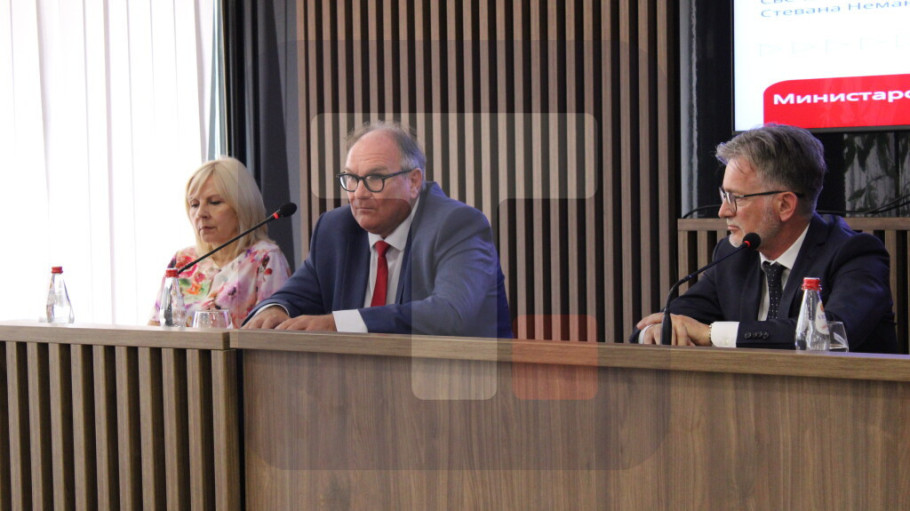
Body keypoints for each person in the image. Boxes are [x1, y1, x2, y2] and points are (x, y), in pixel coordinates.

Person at [633, 124, 897, 353]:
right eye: (724, 196)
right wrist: (655, 332)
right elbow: (674, 319)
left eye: (736, 198)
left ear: (784, 205)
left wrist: (711, 334)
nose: (723, 211)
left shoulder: (855, 254)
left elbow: (832, 333)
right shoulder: (732, 255)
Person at [244, 121, 513, 338]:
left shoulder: (456, 225)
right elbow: (293, 296)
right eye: (351, 178)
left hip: (461, 382)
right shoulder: (336, 230)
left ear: (414, 182)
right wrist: (275, 310)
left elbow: (450, 314)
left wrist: (339, 323)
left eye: (375, 178)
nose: (359, 193)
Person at [150, 157, 291, 328]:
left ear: (242, 206)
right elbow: (156, 325)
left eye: (214, 202)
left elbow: (272, 331)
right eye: (194, 204)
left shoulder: (265, 258)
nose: (201, 213)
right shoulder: (182, 260)